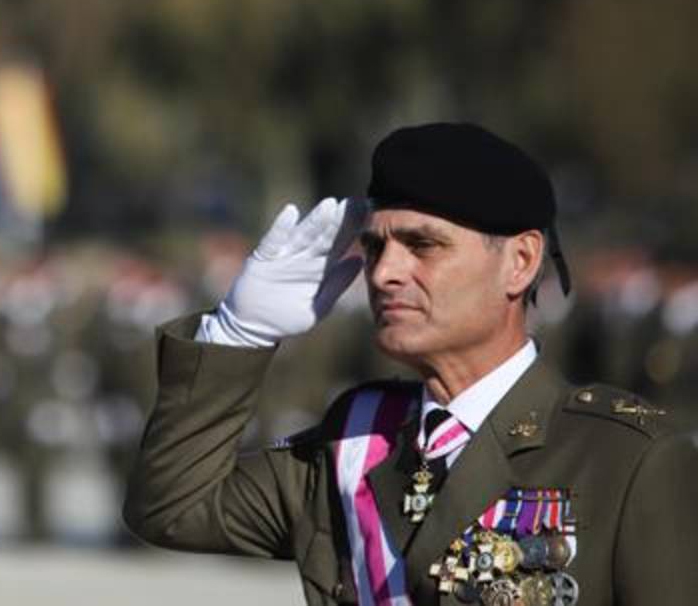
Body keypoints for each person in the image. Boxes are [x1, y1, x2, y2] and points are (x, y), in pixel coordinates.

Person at [123, 122, 698, 605]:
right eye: (376, 247)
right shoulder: (359, 437)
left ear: (520, 262)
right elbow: (173, 507)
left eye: (423, 245)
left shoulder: (625, 459)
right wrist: (237, 335)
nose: (383, 273)